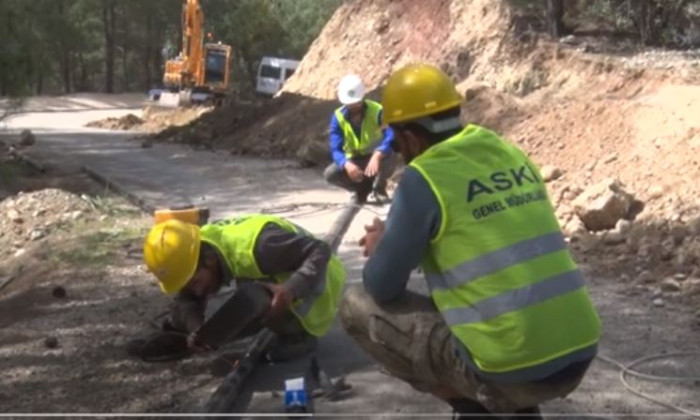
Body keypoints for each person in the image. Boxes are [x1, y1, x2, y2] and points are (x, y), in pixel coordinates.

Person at [339, 63, 602, 419]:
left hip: (510, 371)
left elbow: (382, 286)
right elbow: (477, 227)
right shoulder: (505, 150)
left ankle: (479, 403)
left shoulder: (423, 176)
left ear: (411, 139)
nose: (401, 153)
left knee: (357, 303)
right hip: (579, 353)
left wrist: (382, 247)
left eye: (398, 144)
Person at [142, 213, 346, 359]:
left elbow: (320, 250)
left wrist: (291, 290)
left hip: (320, 281)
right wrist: (197, 330)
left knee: (254, 297)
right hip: (281, 270)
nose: (196, 291)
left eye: (195, 282)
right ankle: (192, 338)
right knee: (196, 310)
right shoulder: (196, 248)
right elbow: (187, 296)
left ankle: (297, 336)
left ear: (210, 260)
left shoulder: (261, 247)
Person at [324, 74, 397, 204]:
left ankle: (379, 189)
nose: (353, 106)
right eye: (350, 103)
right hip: (354, 160)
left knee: (391, 155)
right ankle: (359, 190)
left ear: (362, 97)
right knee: (330, 174)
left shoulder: (377, 111)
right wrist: (346, 164)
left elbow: (391, 134)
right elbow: (336, 149)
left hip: (375, 158)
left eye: (356, 102)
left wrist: (378, 154)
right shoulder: (338, 117)